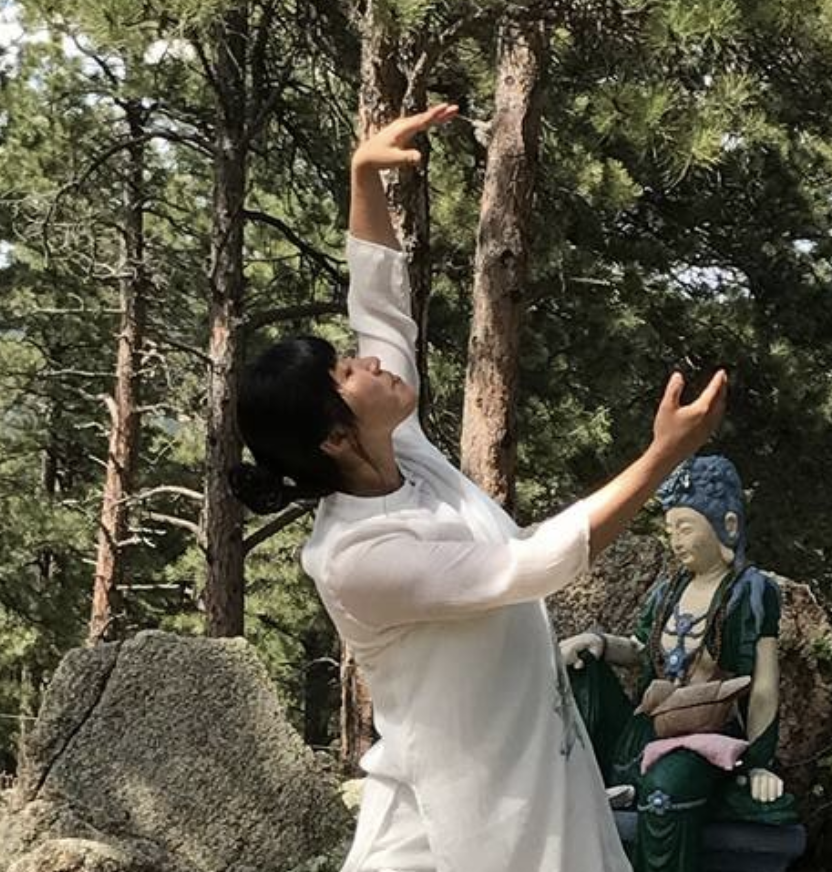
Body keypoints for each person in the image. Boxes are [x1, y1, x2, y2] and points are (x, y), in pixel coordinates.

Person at [231, 104, 728, 872]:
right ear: (333, 438)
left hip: (527, 769)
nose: (367, 362)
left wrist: (363, 174)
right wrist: (661, 458)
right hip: (464, 800)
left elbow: (381, 308)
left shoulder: (400, 450)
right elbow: (534, 563)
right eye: (345, 372)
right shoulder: (356, 555)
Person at [560, 455, 797, 872]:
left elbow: (763, 688)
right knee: (584, 669)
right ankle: (579, 788)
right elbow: (639, 649)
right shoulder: (668, 591)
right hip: (643, 731)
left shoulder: (752, 592)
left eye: (686, 528)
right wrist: (594, 641)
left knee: (666, 789)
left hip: (705, 741)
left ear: (727, 525)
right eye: (671, 530)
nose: (676, 540)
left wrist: (760, 766)